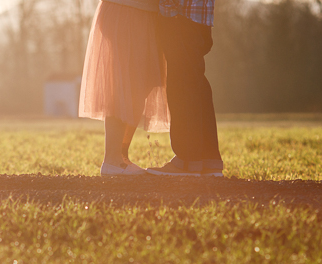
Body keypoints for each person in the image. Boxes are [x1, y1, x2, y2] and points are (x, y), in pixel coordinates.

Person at [78, 0, 170, 176]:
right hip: (126, 10)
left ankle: (121, 157)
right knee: (125, 82)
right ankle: (112, 159)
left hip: (148, 13)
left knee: (145, 83)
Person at [146, 0, 224, 177]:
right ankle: (208, 161)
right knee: (197, 84)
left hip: (179, 16)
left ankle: (187, 161)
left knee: (181, 86)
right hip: (200, 19)